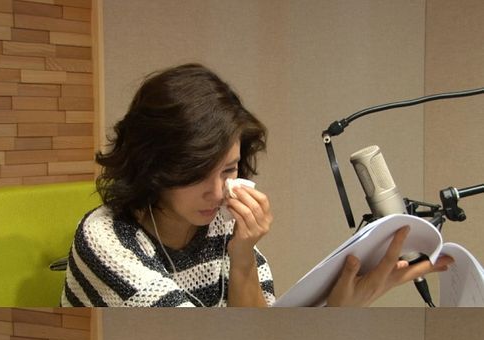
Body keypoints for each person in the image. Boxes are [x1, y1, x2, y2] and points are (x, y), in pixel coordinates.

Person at [61, 63, 452, 307]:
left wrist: (243, 255)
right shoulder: (106, 242)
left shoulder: (223, 221)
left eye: (228, 169)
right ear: (153, 163)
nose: (218, 192)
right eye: (197, 173)